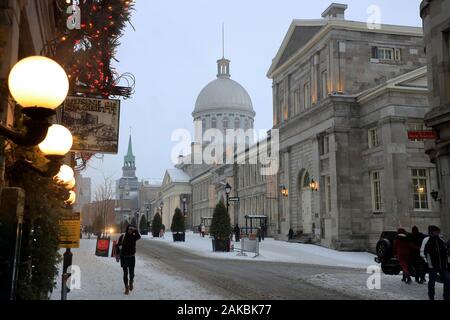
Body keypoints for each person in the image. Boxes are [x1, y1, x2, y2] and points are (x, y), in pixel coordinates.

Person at [421, 225, 450, 300]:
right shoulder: (428, 241)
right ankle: (431, 296)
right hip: (433, 266)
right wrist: (429, 263)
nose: (437, 232)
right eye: (436, 231)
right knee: (432, 282)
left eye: (438, 231)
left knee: (447, 280)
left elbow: (445, 253)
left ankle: (446, 296)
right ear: (432, 232)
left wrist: (446, 263)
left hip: (443, 266)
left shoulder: (441, 241)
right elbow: (424, 253)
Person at [117, 224, 141, 295]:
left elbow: (139, 236)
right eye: (129, 229)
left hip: (131, 257)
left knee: (131, 273)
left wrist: (135, 230)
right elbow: (118, 245)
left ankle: (131, 281)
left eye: (131, 229)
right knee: (125, 273)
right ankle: (126, 287)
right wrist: (118, 253)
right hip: (124, 257)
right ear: (127, 229)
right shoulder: (122, 236)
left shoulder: (134, 237)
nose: (130, 230)